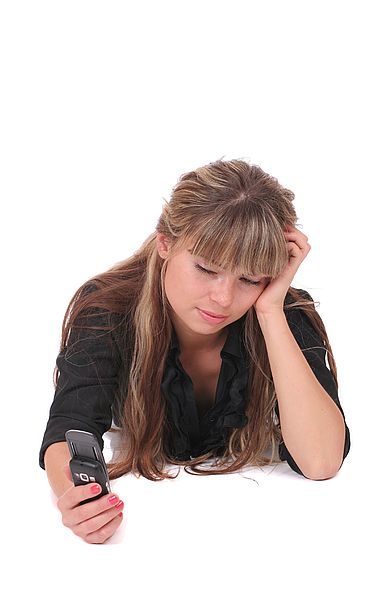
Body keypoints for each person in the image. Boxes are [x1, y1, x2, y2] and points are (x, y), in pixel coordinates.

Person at [39, 158, 351, 544]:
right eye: (206, 268)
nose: (223, 298)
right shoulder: (108, 308)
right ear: (166, 242)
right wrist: (74, 498)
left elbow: (321, 462)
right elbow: (72, 425)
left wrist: (271, 311)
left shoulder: (282, 312)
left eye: (249, 278)